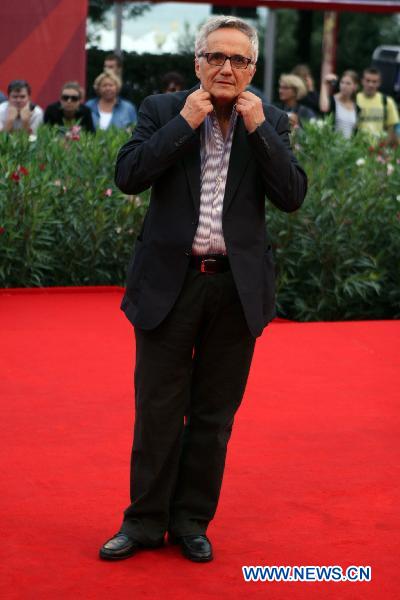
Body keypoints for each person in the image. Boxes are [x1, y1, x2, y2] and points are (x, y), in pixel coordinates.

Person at [99, 15, 307, 563]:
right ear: (198, 62)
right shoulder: (162, 110)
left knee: (214, 416)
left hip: (235, 290)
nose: (226, 67)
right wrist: (184, 124)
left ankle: (191, 520)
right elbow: (129, 176)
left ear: (253, 69)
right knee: (158, 410)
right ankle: (143, 522)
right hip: (172, 283)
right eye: (216, 56)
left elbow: (291, 195)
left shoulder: (272, 119)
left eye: (239, 60)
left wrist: (262, 130)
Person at [356, 67, 399, 144]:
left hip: (378, 149)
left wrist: (383, 147)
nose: (370, 84)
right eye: (368, 81)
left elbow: (391, 128)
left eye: (374, 82)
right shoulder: (355, 100)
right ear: (362, 81)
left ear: (379, 83)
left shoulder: (387, 101)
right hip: (357, 147)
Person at [319, 70, 359, 139]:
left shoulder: (357, 108)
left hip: (348, 147)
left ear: (355, 87)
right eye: (342, 82)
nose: (344, 86)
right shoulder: (332, 100)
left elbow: (354, 131)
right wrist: (324, 84)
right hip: (332, 145)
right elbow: (324, 108)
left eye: (348, 83)